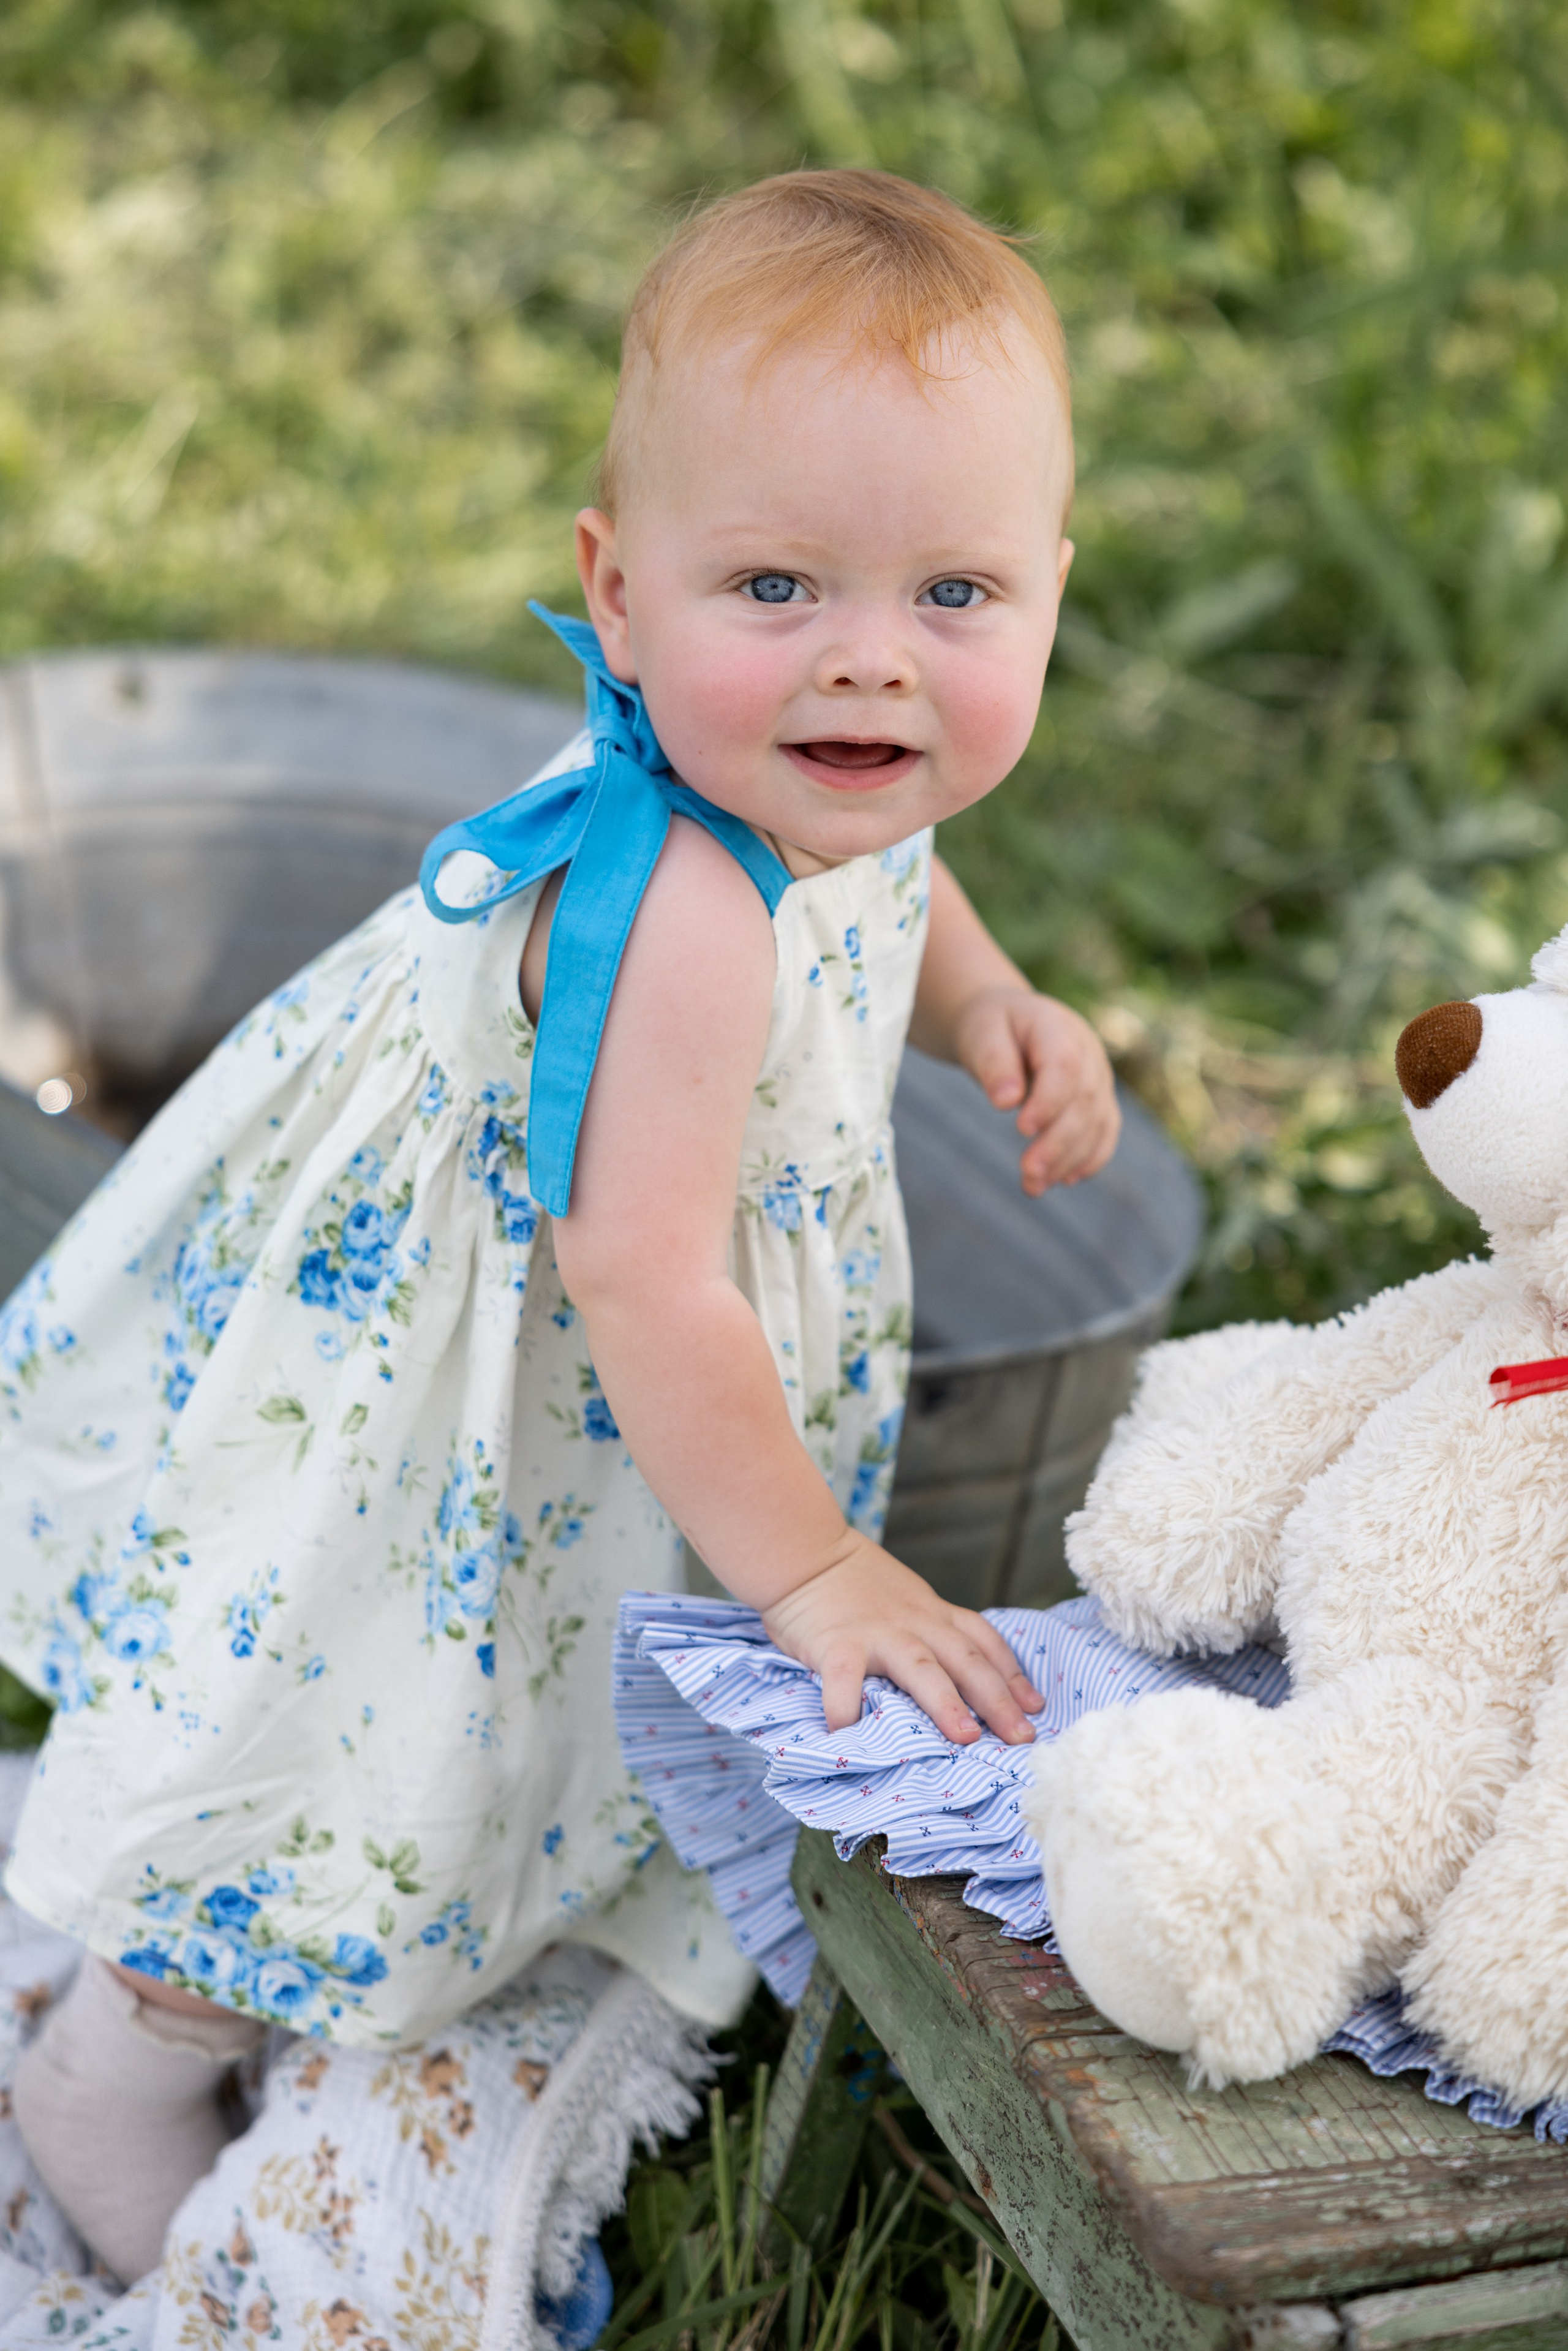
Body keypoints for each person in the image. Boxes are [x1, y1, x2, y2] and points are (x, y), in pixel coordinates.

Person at [0, 167, 1117, 2279]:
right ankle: (129, 2052)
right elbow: (643, 1275)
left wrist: (990, 1005)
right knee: (350, 1718)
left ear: (1050, 585)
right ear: (617, 590)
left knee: (500, 1713)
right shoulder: (683, 916)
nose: (874, 664)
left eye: (954, 598)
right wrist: (818, 1573)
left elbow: (902, 875)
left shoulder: (814, 770)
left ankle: (295, 1979)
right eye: (778, 585)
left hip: (566, 1397)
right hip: (468, 1412)